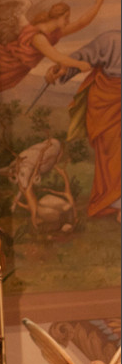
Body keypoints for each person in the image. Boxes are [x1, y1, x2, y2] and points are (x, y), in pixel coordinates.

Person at [47, 29, 121, 221]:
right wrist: (62, 68)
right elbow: (82, 58)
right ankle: (114, 200)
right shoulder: (111, 39)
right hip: (107, 101)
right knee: (111, 150)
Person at [0, 0, 105, 95]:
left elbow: (80, 23)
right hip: (3, 63)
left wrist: (98, 4)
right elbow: (58, 58)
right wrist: (80, 64)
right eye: (66, 18)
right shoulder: (38, 37)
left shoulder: (53, 33)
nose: (68, 21)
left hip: (16, 70)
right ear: (57, 17)